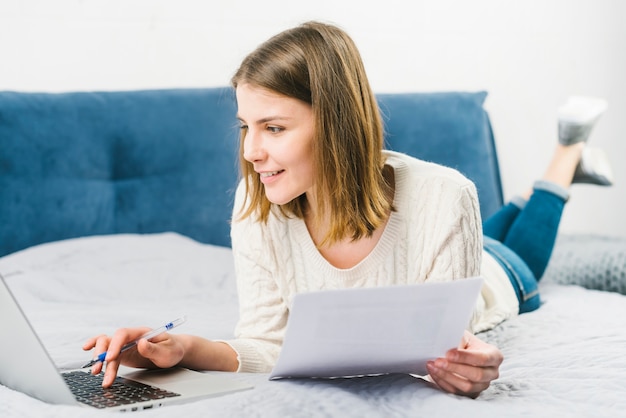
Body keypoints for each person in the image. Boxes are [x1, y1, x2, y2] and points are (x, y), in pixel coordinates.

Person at [83, 21, 613, 398]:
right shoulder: (259, 201)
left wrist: (465, 371)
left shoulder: (446, 196)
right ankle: (528, 193)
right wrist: (182, 348)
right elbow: (268, 344)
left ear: (335, 123)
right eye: (247, 126)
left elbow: (446, 353)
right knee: (495, 225)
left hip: (500, 280)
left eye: (274, 128)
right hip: (458, 226)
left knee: (519, 252)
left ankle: (566, 156)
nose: (250, 152)